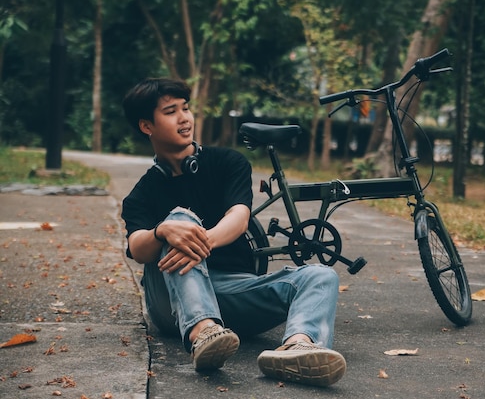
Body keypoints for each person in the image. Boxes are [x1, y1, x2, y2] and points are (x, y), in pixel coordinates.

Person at [120, 77, 346, 387]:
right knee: (179, 219)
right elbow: (137, 247)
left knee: (321, 275)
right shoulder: (141, 194)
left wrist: (200, 240)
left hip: (232, 291)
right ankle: (202, 331)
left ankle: (298, 347)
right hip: (170, 304)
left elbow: (239, 218)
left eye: (186, 109)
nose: (184, 118)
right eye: (171, 112)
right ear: (147, 126)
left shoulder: (228, 162)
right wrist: (163, 231)